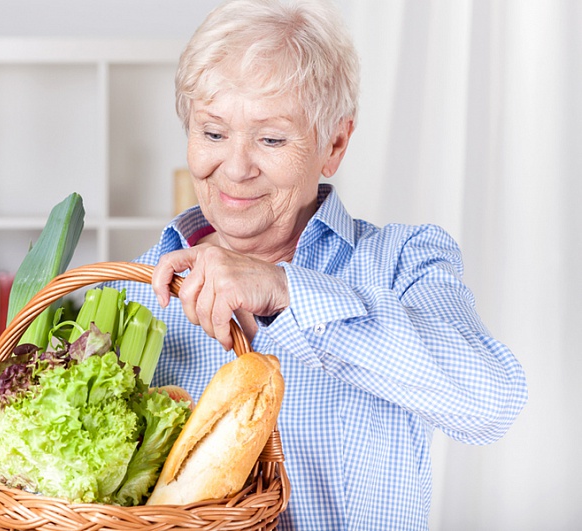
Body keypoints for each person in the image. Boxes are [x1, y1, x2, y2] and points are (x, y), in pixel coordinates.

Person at [114, 0, 528, 528]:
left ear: (334, 144)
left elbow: (491, 402)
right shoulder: (137, 290)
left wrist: (288, 292)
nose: (235, 168)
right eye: (214, 133)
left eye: (271, 138)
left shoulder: (403, 262)